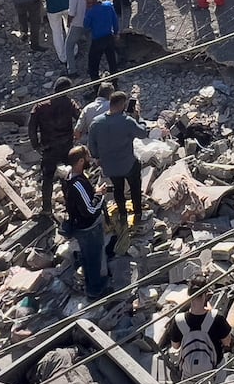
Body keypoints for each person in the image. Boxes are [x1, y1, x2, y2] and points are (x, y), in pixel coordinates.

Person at [167, 273, 233, 384]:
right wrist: (210, 312)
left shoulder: (179, 320)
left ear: (189, 294)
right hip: (214, 368)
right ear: (205, 295)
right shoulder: (216, 318)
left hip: (190, 371)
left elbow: (175, 346)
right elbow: (227, 342)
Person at [88, 90, 146, 227]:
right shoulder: (127, 121)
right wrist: (139, 118)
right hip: (128, 164)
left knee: (118, 190)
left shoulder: (96, 123)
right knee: (135, 188)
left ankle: (122, 214)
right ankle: (138, 214)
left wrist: (98, 158)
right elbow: (143, 133)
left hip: (110, 167)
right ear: (122, 104)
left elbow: (91, 146)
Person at [59, 146, 110, 298]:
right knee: (94, 259)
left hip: (80, 226)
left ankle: (91, 283)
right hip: (88, 228)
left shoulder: (69, 176)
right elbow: (90, 210)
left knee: (89, 258)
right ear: (81, 161)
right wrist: (99, 195)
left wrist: (94, 192)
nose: (90, 160)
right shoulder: (77, 184)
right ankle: (95, 290)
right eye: (87, 158)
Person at [29, 77, 82, 212]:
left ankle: (47, 209)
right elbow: (80, 118)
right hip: (66, 146)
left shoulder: (40, 106)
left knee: (47, 178)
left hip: (49, 148)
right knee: (68, 175)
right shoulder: (69, 103)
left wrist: (36, 145)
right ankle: (71, 205)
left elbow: (32, 127)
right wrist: (78, 133)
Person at [83, 0, 122, 79]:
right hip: (109, 37)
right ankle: (115, 83)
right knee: (112, 62)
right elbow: (115, 20)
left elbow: (86, 25)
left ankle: (96, 88)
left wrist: (87, 10)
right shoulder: (108, 5)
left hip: (97, 40)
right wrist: (116, 33)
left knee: (93, 66)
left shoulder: (90, 11)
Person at [66, 0, 92, 75]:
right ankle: (90, 67)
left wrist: (68, 23)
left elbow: (72, 12)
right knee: (90, 46)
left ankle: (72, 70)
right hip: (90, 22)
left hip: (77, 23)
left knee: (69, 46)